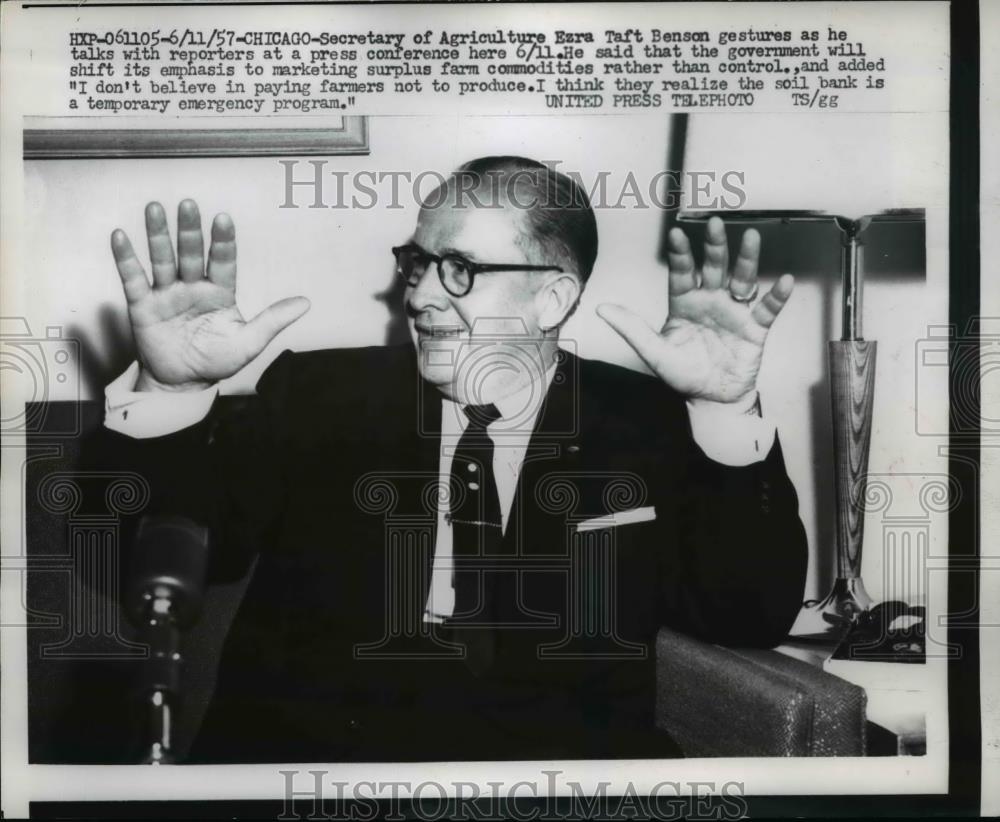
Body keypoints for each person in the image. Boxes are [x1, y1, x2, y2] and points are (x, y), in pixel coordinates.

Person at [94, 156, 807, 762]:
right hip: (318, 777)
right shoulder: (318, 397)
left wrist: (721, 409)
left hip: (555, 788)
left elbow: (748, 614)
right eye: (419, 262)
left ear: (552, 298)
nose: (422, 294)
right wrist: (171, 392)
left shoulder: (643, 420)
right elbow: (140, 564)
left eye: (461, 268)